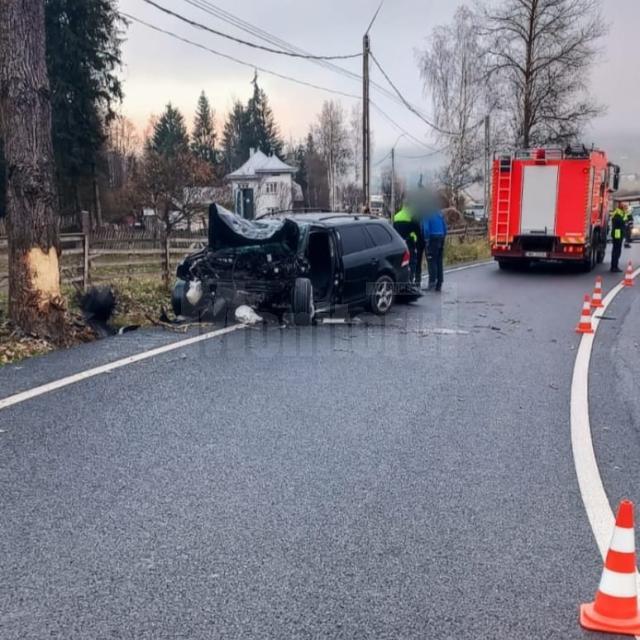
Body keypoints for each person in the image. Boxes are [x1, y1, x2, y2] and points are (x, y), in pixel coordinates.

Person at [393, 204, 421, 283]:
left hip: (399, 244)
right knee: (412, 262)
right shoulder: (412, 216)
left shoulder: (396, 216)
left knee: (401, 263)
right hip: (410, 242)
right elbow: (418, 231)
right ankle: (410, 280)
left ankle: (400, 281)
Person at [423, 204, 448, 291]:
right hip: (441, 238)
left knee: (431, 261)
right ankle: (439, 283)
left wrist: (426, 239)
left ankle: (432, 283)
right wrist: (443, 237)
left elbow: (426, 228)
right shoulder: (439, 214)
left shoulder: (427, 214)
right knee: (439, 261)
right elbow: (445, 228)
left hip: (432, 238)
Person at [610, 202, 626, 273]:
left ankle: (615, 266)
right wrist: (625, 220)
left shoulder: (620, 213)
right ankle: (614, 267)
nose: (625, 208)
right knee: (616, 251)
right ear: (621, 207)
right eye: (624, 206)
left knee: (617, 251)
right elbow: (619, 223)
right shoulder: (618, 213)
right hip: (617, 234)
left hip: (618, 233)